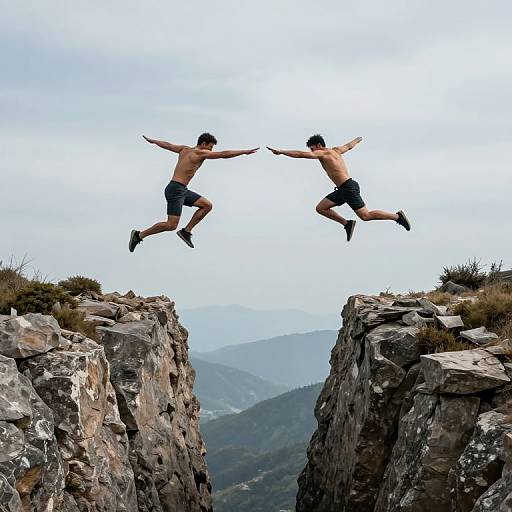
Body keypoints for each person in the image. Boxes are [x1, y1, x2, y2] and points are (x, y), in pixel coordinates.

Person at [129, 133, 259, 251]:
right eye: (210, 147)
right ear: (203, 144)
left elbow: (168, 145)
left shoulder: (184, 149)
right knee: (171, 225)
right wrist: (243, 152)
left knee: (207, 205)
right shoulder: (199, 153)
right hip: (176, 190)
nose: (211, 151)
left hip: (180, 189)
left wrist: (153, 141)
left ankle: (186, 231)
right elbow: (223, 154)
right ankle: (139, 235)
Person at [267, 135, 410, 241]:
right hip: (343, 189)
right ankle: (347, 223)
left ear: (318, 145)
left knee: (366, 216)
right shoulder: (336, 151)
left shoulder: (322, 153)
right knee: (321, 208)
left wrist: (281, 152)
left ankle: (397, 217)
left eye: (312, 149)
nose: (312, 152)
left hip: (348, 188)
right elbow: (348, 146)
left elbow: (300, 155)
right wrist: (358, 139)